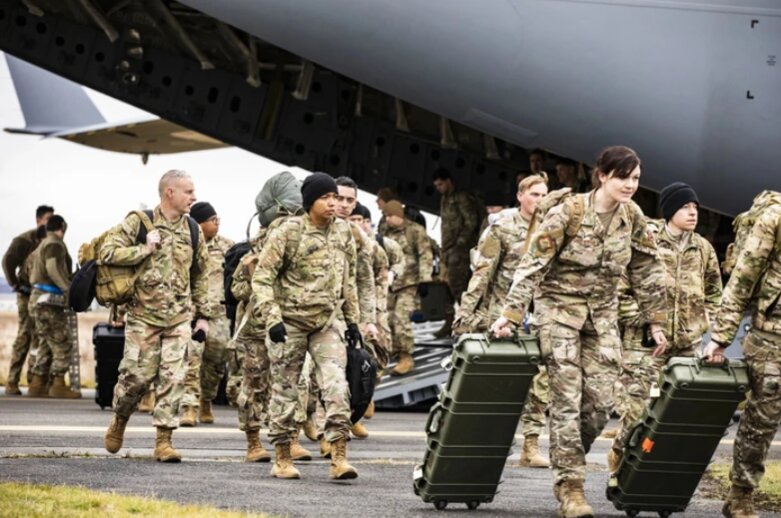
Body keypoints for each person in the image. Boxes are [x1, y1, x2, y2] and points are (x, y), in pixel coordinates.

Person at [491, 146, 668, 517]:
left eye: (636, 178)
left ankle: (566, 460)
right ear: (602, 175)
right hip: (559, 314)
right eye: (623, 177)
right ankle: (571, 488)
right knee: (567, 402)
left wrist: (655, 320)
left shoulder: (631, 217)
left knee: (599, 406)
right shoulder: (568, 213)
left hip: (602, 318)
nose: (630, 185)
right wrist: (511, 314)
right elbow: (533, 264)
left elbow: (647, 268)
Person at [252, 172, 360, 480]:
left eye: (335, 197)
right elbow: (262, 278)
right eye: (326, 197)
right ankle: (283, 458)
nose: (333, 203)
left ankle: (339, 457)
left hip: (326, 323)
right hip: (290, 324)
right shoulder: (288, 231)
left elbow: (348, 278)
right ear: (309, 201)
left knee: (336, 385)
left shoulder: (343, 231)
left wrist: (353, 321)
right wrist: (272, 318)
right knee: (286, 391)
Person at [608, 182, 722, 470]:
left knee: (677, 413)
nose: (692, 213)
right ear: (669, 210)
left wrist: (703, 323)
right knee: (638, 410)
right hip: (645, 345)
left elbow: (714, 293)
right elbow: (619, 290)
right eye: (685, 207)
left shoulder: (703, 248)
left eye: (695, 207)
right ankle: (620, 455)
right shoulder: (646, 241)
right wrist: (648, 321)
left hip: (686, 346)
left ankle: (657, 471)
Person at [102, 169, 211, 463]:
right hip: (143, 317)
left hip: (178, 319)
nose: (194, 197)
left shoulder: (193, 230)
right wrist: (143, 249)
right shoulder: (139, 222)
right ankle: (120, 418)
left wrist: (203, 315)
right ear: (169, 193)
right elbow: (107, 253)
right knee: (136, 378)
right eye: (189, 191)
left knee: (174, 378)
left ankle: (164, 441)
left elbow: (201, 274)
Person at [455, 175, 552, 468]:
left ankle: (531, 446)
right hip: (503, 317)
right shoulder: (502, 228)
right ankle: (481, 442)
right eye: (534, 194)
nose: (539, 200)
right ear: (520, 195)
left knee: (540, 382)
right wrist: (465, 315)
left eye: (544, 195)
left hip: (539, 316)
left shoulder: (552, 228)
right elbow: (482, 273)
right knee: (496, 383)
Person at [703, 195, 781, 518]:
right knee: (761, 422)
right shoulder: (775, 218)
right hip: (771, 336)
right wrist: (720, 337)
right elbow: (742, 279)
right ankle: (740, 495)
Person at [234, 171, 305, 463]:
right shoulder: (257, 245)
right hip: (257, 325)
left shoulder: (301, 236)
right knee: (258, 382)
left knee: (290, 383)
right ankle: (254, 441)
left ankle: (289, 439)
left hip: (288, 322)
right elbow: (237, 289)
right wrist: (252, 278)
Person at [180, 202, 234, 426]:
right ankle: (189, 407)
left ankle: (206, 400)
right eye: (213, 220)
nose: (217, 223)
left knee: (217, 361)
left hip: (219, 314)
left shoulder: (227, 246)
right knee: (191, 359)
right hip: (193, 312)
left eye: (217, 219)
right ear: (199, 224)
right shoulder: (186, 245)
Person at [3, 205, 53, 395]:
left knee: (40, 336)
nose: (50, 223)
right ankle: (12, 381)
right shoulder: (24, 240)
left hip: (42, 294)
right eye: (48, 219)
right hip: (26, 294)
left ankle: (34, 381)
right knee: (25, 335)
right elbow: (7, 261)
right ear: (39, 220)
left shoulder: (49, 240)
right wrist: (15, 285)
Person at [27, 215, 78, 398]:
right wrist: (68, 289)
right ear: (62, 227)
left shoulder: (42, 244)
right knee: (63, 341)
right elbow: (53, 269)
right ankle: (58, 385)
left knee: (47, 342)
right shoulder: (54, 244)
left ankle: (37, 383)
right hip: (48, 301)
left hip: (38, 299)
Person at [380, 200, 433, 375]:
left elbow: (425, 255)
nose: (387, 219)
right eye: (385, 216)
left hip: (410, 282)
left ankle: (406, 356)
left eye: (390, 216)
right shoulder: (385, 232)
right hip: (391, 282)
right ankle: (395, 351)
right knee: (387, 319)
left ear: (399, 215)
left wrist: (425, 280)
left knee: (401, 318)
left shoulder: (415, 231)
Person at [433, 168, 481, 337]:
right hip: (447, 249)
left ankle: (469, 321)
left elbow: (471, 221)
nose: (438, 188)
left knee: (458, 286)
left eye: (440, 184)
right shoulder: (444, 199)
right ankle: (449, 321)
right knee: (446, 287)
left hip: (459, 250)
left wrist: (460, 243)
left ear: (448, 181)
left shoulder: (461, 197)